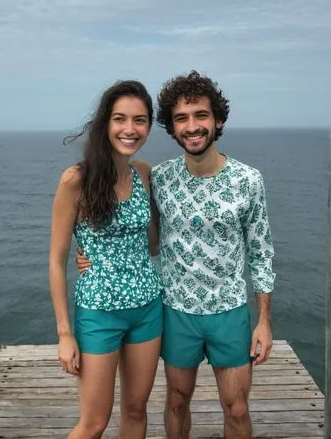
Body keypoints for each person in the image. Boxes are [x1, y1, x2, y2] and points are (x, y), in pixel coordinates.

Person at [77, 70, 276, 439]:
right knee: (176, 401)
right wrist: (88, 251)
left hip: (229, 309)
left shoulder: (249, 180)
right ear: (171, 126)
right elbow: (134, 229)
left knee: (237, 407)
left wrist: (263, 319)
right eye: (181, 118)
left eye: (201, 115)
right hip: (175, 309)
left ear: (217, 120)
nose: (192, 126)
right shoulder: (160, 177)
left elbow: (261, 251)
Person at [49, 80, 163, 439]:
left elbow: (153, 245)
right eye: (120, 119)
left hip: (147, 309)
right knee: (94, 422)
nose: (130, 129)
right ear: (105, 123)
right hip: (99, 312)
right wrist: (65, 333)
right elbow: (56, 260)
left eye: (140, 120)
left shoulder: (144, 172)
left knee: (135, 410)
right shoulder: (76, 181)